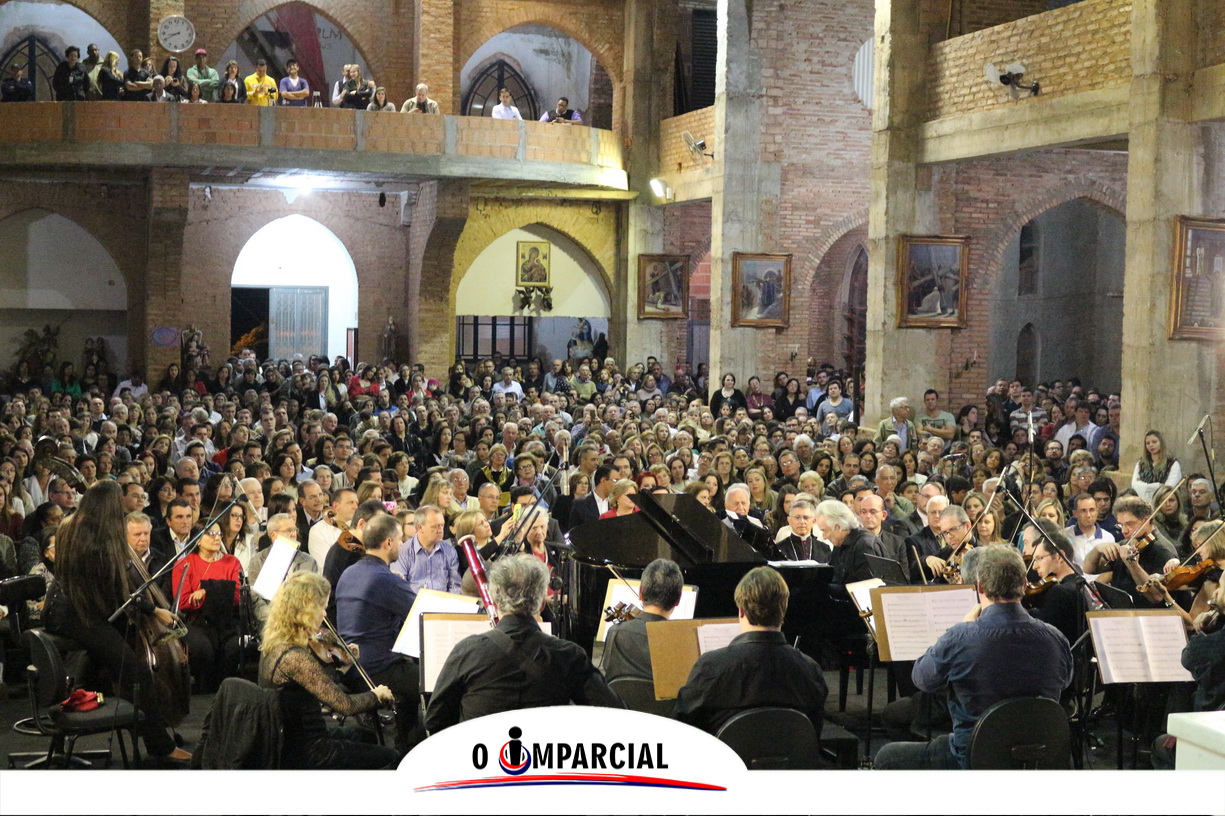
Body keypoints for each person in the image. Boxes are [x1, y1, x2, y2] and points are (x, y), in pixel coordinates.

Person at [873, 545, 1072, 769]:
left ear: (980, 587)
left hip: (972, 755)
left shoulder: (962, 636)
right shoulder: (1056, 638)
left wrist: (960, 628)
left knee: (886, 756)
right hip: (1036, 756)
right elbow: (1065, 682)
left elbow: (922, 679)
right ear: (1025, 584)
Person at [43, 482, 191, 762]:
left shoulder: (70, 525)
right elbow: (117, 590)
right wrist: (152, 609)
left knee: (106, 659)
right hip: (78, 616)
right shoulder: (100, 537)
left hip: (63, 611)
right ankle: (161, 745)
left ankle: (138, 727)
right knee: (137, 672)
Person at [425, 554, 622, 731]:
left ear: (494, 601)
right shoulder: (569, 656)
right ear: (542, 604)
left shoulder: (467, 651)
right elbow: (615, 715)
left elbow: (435, 722)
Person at [259, 571, 399, 769]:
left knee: (365, 736)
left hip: (294, 736)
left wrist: (344, 667)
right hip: (308, 749)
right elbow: (346, 706)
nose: (325, 615)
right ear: (306, 610)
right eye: (322, 608)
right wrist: (376, 695)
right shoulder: (295, 657)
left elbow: (319, 687)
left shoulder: (277, 643)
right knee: (392, 757)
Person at [674, 566, 827, 734]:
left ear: (742, 610)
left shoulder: (710, 667)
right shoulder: (811, 671)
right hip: (790, 752)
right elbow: (813, 732)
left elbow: (682, 729)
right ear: (783, 609)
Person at [336, 513, 420, 749]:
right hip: (377, 669)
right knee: (437, 683)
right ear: (388, 543)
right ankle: (413, 746)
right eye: (400, 539)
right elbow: (421, 614)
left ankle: (404, 741)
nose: (402, 544)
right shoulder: (385, 579)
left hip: (350, 667)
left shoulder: (349, 572)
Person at [172, 516, 242, 691]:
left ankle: (228, 693)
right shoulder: (184, 564)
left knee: (234, 647)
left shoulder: (232, 562)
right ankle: (205, 693)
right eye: (210, 534)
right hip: (198, 622)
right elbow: (184, 602)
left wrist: (206, 592)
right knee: (203, 649)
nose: (216, 538)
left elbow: (236, 597)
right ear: (197, 539)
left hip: (227, 622)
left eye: (218, 533)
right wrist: (220, 591)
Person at [600, 558, 684, 682]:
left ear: (640, 593)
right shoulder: (682, 641)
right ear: (678, 600)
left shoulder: (615, 632)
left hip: (621, 696)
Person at [248, 513, 318, 626]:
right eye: (289, 530)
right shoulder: (258, 561)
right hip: (269, 622)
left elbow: (311, 598)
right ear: (274, 535)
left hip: (300, 621)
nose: (293, 534)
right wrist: (275, 620)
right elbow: (255, 599)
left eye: (295, 530)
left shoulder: (309, 562)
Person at [392, 504, 460, 593]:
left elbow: (455, 586)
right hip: (413, 600)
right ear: (420, 527)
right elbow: (399, 586)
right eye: (435, 527)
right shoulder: (403, 551)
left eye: (442, 525)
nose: (440, 530)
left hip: (443, 600)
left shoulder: (449, 551)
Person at [1131, 430, 1182, 504]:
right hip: (1144, 503)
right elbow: (1134, 485)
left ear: (1161, 443)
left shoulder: (1172, 464)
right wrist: (1157, 485)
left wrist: (1144, 487)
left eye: (1154, 442)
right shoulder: (1141, 463)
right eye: (1148, 443)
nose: (1151, 445)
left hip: (1163, 503)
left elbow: (1168, 488)